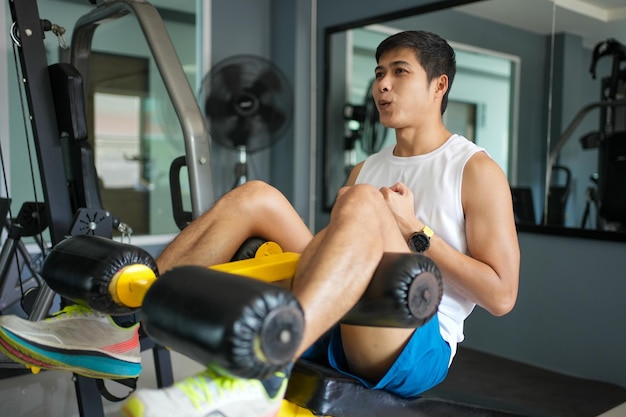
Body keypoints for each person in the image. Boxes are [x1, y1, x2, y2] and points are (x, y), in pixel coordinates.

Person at [0, 30, 519, 417]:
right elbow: (340, 255)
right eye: (379, 72)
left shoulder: (473, 168)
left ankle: (266, 370)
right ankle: (118, 323)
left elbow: (500, 297)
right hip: (345, 317)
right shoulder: (370, 165)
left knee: (360, 201)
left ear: (439, 85)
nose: (382, 85)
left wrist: (415, 232)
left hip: (417, 341)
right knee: (258, 196)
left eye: (399, 72)